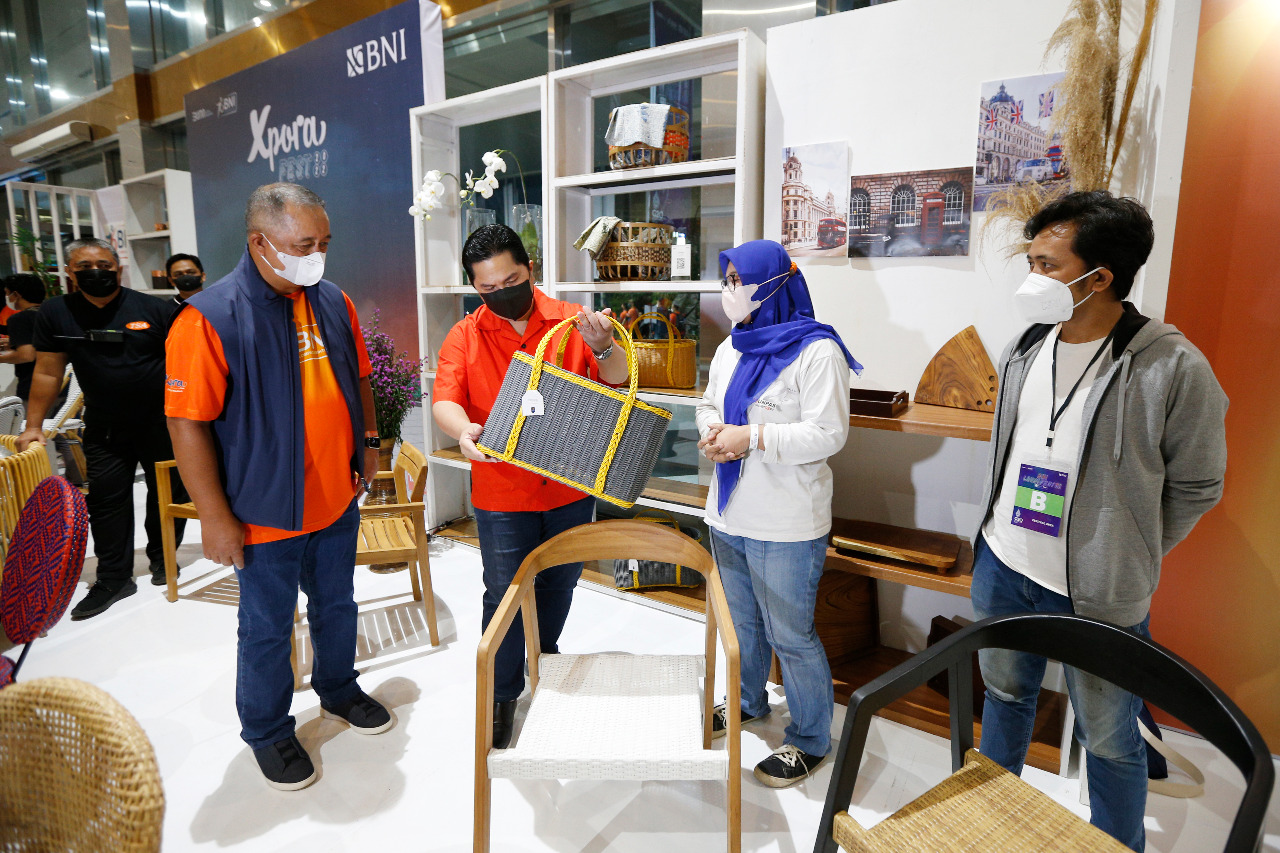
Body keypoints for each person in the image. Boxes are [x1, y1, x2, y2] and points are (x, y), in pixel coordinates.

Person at [972, 191, 1227, 852]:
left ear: (1100, 277)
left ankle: (1116, 844)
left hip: (1099, 593)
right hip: (1005, 563)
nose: (1032, 277)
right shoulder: (1025, 346)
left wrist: (1129, 548)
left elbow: (1199, 483)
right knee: (1004, 698)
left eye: (1047, 264)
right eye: (1031, 260)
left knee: (1109, 738)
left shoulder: (1172, 365)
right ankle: (987, 827)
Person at [165, 183, 390, 791]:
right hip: (263, 511)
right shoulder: (208, 318)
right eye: (303, 245)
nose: (317, 256)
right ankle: (267, 730)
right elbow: (186, 424)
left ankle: (338, 688)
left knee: (337, 605)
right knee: (266, 628)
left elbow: (360, 377)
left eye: (324, 243)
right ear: (260, 243)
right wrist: (215, 518)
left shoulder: (332, 300)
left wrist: (369, 443)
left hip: (335, 498)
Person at [432, 224, 627, 749]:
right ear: (474, 287)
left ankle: (545, 656)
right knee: (504, 593)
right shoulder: (465, 335)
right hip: (502, 492)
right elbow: (445, 399)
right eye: (488, 288)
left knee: (560, 583)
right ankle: (502, 693)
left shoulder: (573, 321)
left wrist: (603, 347)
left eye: (511, 281)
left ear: (531, 269)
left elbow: (617, 380)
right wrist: (463, 430)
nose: (501, 294)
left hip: (569, 483)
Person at [697, 239, 861, 787]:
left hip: (786, 521)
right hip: (728, 513)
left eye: (737, 280)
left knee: (791, 634)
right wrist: (714, 431)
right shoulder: (733, 345)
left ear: (772, 285)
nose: (729, 290)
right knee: (742, 624)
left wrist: (753, 436)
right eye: (726, 279)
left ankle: (811, 738)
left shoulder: (818, 351)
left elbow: (828, 434)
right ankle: (748, 701)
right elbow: (708, 403)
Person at [17, 238, 189, 618]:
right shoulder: (57, 312)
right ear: (69, 272)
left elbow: (185, 366)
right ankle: (113, 578)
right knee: (107, 501)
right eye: (85, 267)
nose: (96, 272)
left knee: (167, 493)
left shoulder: (154, 309)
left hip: (162, 423)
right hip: (104, 427)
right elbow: (47, 372)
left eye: (104, 266)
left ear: (118, 268)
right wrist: (33, 426)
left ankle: (164, 559)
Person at [0, 274, 46, 408]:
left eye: (7, 293)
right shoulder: (50, 314)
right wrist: (13, 343)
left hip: (33, 387)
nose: (7, 298)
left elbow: (26, 355)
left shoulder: (20, 319)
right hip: (62, 384)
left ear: (16, 294)